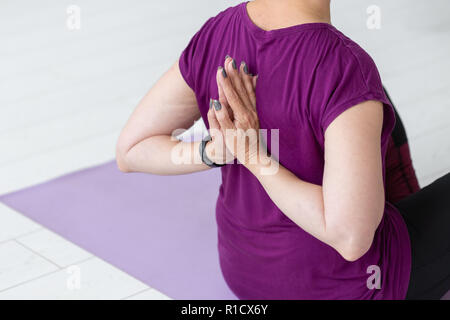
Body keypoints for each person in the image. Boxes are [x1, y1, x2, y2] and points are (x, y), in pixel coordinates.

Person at [116, 0, 450, 299]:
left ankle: (398, 203)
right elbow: (350, 239)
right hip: (350, 287)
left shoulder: (217, 33)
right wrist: (253, 159)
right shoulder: (345, 67)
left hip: (243, 275)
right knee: (360, 98)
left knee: (369, 104)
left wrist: (214, 151)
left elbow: (130, 149)